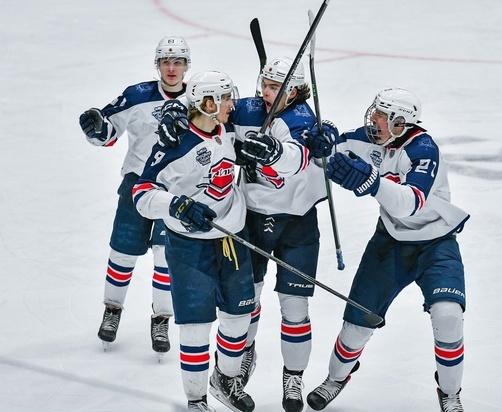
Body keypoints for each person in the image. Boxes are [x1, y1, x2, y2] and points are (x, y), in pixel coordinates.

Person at [157, 56, 327, 412]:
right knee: (245, 302)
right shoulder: (247, 109)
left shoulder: (303, 121)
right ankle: (238, 359)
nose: (265, 93)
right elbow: (204, 113)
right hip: (250, 219)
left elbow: (295, 156)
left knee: (295, 307)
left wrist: (283, 150)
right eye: (263, 84)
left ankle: (293, 377)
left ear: (295, 90)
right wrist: (174, 113)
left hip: (297, 223)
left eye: (274, 88)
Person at [303, 88, 470, 412]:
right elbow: (331, 155)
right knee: (356, 324)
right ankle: (336, 378)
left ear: (401, 123)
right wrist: (321, 144)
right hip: (389, 242)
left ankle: (450, 393)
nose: (374, 120)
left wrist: (372, 183)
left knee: (448, 316)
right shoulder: (369, 139)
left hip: (436, 244)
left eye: (383, 116)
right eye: (375, 112)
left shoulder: (423, 149)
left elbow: (410, 203)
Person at [133, 70, 256, 412]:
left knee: (238, 318)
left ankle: (225, 380)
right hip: (189, 247)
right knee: (195, 328)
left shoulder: (227, 130)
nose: (233, 104)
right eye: (226, 98)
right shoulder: (175, 144)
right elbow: (141, 194)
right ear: (208, 103)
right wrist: (176, 204)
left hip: (233, 239)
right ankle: (196, 399)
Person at [78, 36, 191, 356]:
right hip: (136, 184)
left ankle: (161, 318)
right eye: (166, 62)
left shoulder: (197, 99)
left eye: (178, 62)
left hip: (175, 189)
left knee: (164, 257)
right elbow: (106, 132)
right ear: (157, 65)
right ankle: (112, 311)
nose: (172, 68)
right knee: (122, 253)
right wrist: (95, 128)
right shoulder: (137, 95)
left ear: (186, 66)